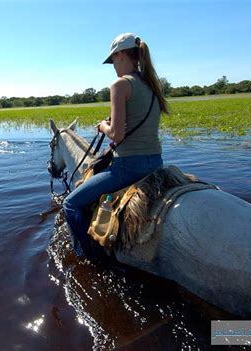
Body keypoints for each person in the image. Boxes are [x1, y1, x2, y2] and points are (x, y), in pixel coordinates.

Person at [62, 32, 170, 262]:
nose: (113, 66)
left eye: (113, 60)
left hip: (129, 166)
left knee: (70, 203)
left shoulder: (120, 85)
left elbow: (117, 134)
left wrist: (102, 126)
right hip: (156, 162)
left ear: (121, 55)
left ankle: (90, 256)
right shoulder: (150, 84)